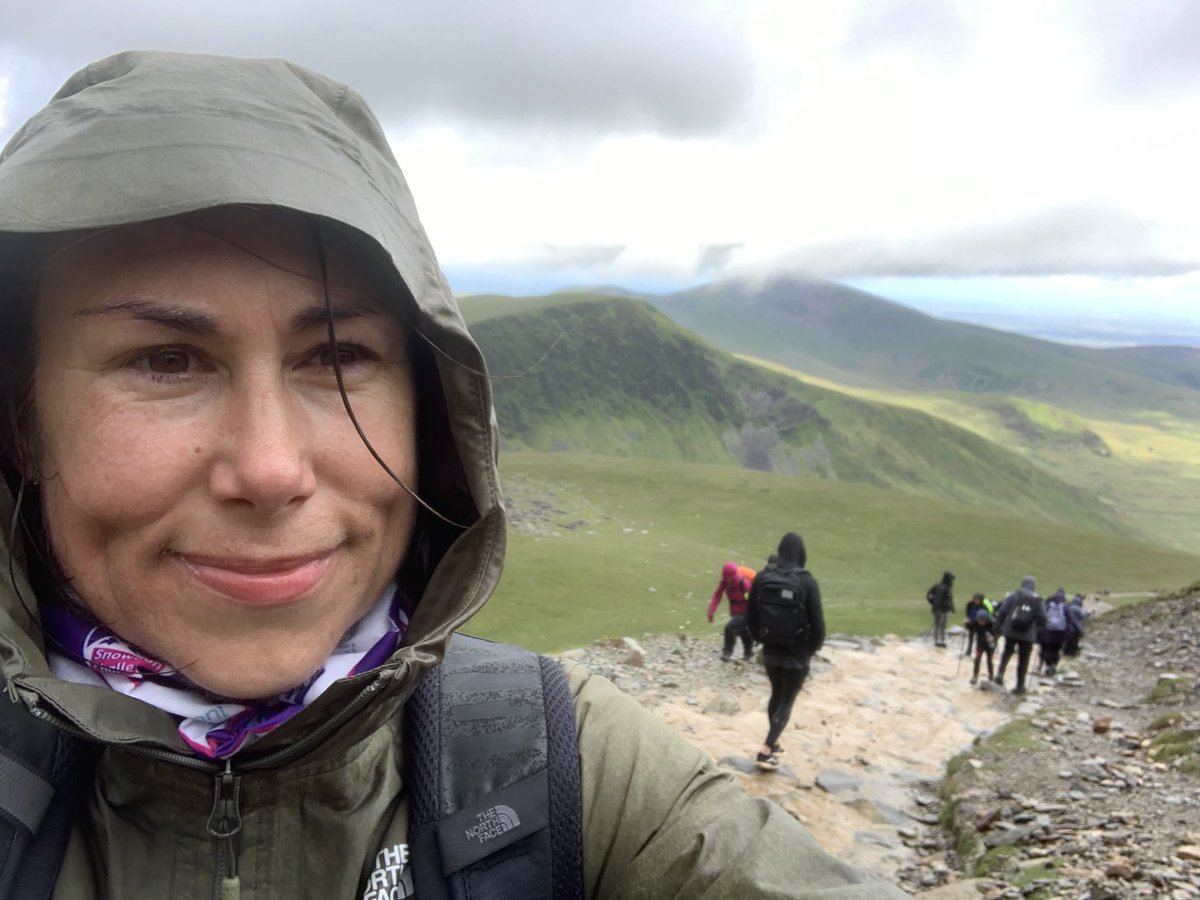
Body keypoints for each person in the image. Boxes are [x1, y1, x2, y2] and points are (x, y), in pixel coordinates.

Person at [0, 51, 907, 897]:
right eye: (166, 362)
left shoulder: (573, 772)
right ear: (22, 422)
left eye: (338, 356)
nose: (271, 470)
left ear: (431, 412)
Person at [746, 532, 825, 772]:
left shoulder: (762, 578)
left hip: (770, 650)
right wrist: (810, 649)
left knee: (776, 694)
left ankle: (774, 741)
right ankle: (766, 750)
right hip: (797, 653)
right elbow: (819, 624)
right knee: (786, 700)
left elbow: (750, 615)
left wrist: (762, 639)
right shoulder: (807, 581)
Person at [993, 576, 1047, 695]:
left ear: (1022, 584)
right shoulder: (1038, 600)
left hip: (1010, 631)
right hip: (1028, 635)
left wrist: (997, 627)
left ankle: (1000, 675)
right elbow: (1043, 619)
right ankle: (1020, 686)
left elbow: (1002, 611)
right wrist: (1036, 631)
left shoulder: (1013, 595)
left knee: (1007, 652)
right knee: (1024, 659)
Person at [707, 561, 756, 661]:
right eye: (725, 577)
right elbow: (717, 595)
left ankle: (727, 652)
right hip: (734, 611)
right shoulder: (725, 582)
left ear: (733, 575)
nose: (727, 580)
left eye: (728, 577)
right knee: (741, 631)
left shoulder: (743, 582)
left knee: (729, 628)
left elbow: (753, 598)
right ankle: (748, 651)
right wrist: (711, 611)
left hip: (745, 612)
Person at [1038, 588, 1071, 676]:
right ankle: (1053, 666)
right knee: (1056, 651)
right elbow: (1071, 620)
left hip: (1048, 633)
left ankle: (1047, 666)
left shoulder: (1048, 604)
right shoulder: (1064, 606)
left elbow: (1042, 616)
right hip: (1060, 635)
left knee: (1046, 650)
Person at [926, 570, 955, 648]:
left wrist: (951, 607)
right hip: (940, 610)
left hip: (944, 610)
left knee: (942, 626)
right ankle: (938, 641)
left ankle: (941, 640)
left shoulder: (947, 587)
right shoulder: (941, 587)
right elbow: (937, 600)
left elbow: (949, 598)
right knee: (939, 626)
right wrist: (938, 610)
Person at [968, 608, 997, 685]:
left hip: (990, 645)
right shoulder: (975, 622)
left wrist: (993, 637)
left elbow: (998, 632)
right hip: (980, 644)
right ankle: (975, 676)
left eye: (982, 620)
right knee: (977, 660)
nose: (980, 622)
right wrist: (967, 624)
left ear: (986, 619)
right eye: (979, 619)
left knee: (989, 660)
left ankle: (991, 676)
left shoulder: (992, 623)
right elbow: (971, 628)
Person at [962, 591, 992, 656]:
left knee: (979, 639)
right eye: (975, 599)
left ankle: (977, 653)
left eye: (977, 599)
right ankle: (968, 651)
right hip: (970, 624)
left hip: (979, 626)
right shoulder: (970, 604)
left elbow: (984, 618)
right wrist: (967, 618)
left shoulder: (984, 607)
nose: (976, 600)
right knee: (970, 637)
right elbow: (967, 612)